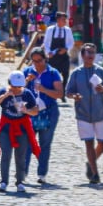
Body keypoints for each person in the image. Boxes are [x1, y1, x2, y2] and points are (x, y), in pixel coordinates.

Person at [65, 43, 103, 184]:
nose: (91, 55)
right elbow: (68, 92)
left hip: (100, 113)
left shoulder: (101, 71)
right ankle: (94, 173)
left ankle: (90, 162)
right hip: (83, 113)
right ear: (82, 55)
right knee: (89, 143)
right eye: (88, 52)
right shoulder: (76, 73)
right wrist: (75, 96)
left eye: (93, 52)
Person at [0, 70, 41, 194]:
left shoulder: (27, 94)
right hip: (6, 128)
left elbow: (35, 110)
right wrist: (4, 96)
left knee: (21, 156)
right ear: (9, 83)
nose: (17, 89)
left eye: (19, 86)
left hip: (22, 128)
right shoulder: (3, 92)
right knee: (6, 155)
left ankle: (20, 181)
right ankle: (4, 182)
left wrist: (26, 111)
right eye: (14, 86)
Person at [22, 49, 64, 185]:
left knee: (45, 143)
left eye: (39, 61)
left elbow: (59, 93)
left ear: (45, 59)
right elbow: (17, 90)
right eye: (34, 61)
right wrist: (26, 81)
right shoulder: (27, 72)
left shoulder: (53, 73)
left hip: (49, 111)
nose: (37, 64)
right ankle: (23, 173)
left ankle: (42, 173)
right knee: (27, 143)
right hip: (31, 112)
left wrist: (44, 89)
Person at [41, 10, 74, 83]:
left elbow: (71, 42)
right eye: (63, 19)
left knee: (65, 75)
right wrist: (48, 52)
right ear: (58, 20)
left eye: (65, 19)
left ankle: (63, 89)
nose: (65, 21)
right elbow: (46, 43)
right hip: (53, 57)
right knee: (52, 76)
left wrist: (66, 49)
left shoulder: (67, 30)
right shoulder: (50, 29)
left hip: (64, 57)